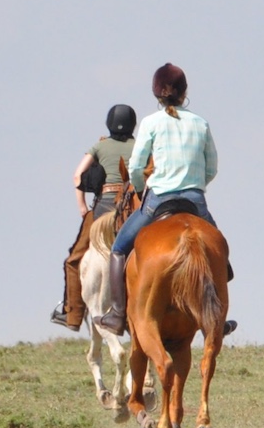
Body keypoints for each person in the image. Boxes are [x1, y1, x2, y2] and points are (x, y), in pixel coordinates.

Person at [93, 63, 234, 336]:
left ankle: (118, 315)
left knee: (119, 249)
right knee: (221, 253)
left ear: (157, 93)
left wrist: (138, 187)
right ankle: (219, 318)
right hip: (195, 201)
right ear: (184, 92)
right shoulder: (200, 123)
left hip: (157, 200)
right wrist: (196, 186)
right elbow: (212, 167)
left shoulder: (150, 123)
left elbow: (135, 167)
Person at [49, 104, 137, 329]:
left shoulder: (100, 145)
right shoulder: (138, 146)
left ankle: (72, 315)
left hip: (102, 208)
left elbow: (78, 176)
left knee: (74, 260)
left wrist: (82, 207)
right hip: (132, 208)